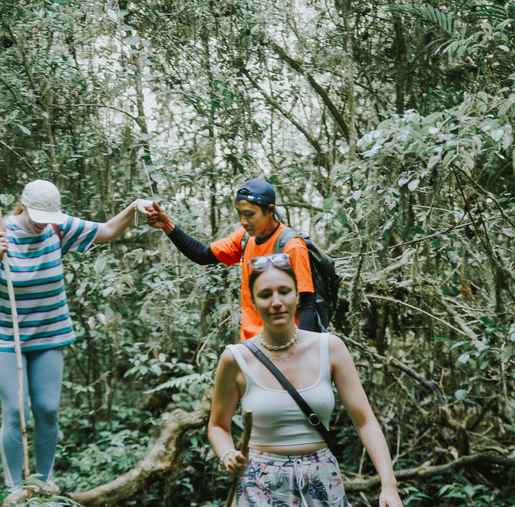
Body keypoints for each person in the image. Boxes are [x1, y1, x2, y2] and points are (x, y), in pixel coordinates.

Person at [0, 179, 148, 490]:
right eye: (39, 217)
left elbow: (107, 230)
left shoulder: (59, 227)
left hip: (48, 332)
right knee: (16, 409)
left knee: (48, 409)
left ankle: (44, 481)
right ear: (24, 207)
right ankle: (15, 487)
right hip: (3, 334)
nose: (44, 225)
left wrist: (134, 207)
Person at [207, 254, 404, 507]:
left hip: (321, 479)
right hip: (259, 485)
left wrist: (389, 485)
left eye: (285, 291)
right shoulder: (235, 358)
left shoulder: (330, 348)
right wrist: (227, 454)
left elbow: (364, 420)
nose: (276, 302)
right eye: (265, 294)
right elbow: (218, 425)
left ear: (298, 296)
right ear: (253, 301)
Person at [141, 178, 317, 341]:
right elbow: (202, 255)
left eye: (249, 214)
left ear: (270, 210)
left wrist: (302, 350)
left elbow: (307, 304)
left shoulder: (292, 246)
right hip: (251, 345)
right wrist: (166, 225)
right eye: (240, 214)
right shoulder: (244, 238)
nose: (243, 221)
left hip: (284, 345)